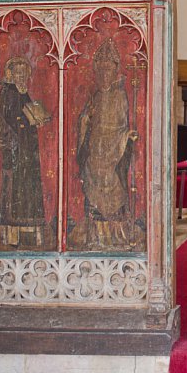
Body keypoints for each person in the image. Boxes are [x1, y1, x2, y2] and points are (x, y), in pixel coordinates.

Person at [69, 39, 143, 250]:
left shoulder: (120, 95)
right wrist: (85, 119)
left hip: (113, 150)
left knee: (114, 186)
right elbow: (85, 120)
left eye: (108, 72)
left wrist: (125, 136)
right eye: (100, 72)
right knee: (93, 186)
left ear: (114, 73)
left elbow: (121, 125)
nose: (104, 76)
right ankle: (96, 235)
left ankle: (116, 234)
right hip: (95, 149)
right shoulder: (96, 95)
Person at [0, 56, 51, 249]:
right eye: (17, 73)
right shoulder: (7, 92)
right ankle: (12, 235)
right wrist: (5, 140)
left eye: (24, 73)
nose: (21, 76)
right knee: (14, 191)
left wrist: (37, 118)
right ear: (10, 74)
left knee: (30, 189)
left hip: (28, 150)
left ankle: (31, 232)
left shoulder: (24, 93)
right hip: (14, 150)